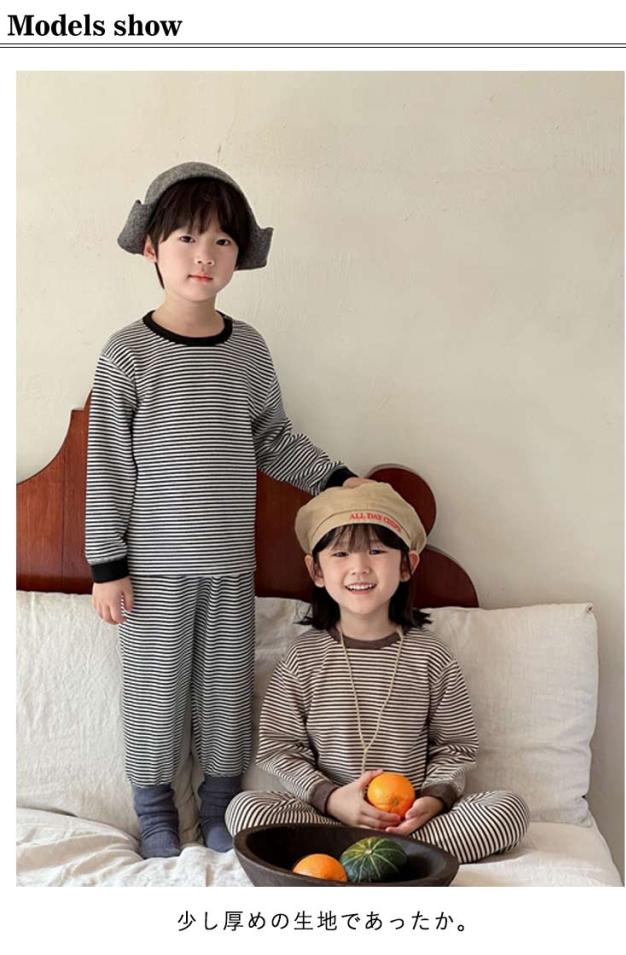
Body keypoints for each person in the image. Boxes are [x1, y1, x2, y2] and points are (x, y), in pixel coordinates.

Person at [85, 162, 366, 858]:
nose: (203, 255)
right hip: (152, 570)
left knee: (226, 693)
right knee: (154, 692)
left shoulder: (248, 350)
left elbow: (273, 438)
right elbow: (108, 463)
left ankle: (220, 809)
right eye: (186, 238)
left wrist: (335, 479)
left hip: (231, 565)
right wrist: (107, 566)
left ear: (239, 255)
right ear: (151, 247)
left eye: (222, 241)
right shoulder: (127, 354)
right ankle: (155, 813)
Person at [226, 483, 530, 864]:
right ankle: (399, 862)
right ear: (316, 570)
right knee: (246, 811)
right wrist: (331, 799)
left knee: (507, 809)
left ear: (407, 565)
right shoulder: (302, 658)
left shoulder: (431, 656)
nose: (360, 567)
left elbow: (455, 747)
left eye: (376, 550)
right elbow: (280, 748)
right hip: (328, 820)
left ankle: (380, 858)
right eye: (341, 553)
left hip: (411, 822)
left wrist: (432, 801)